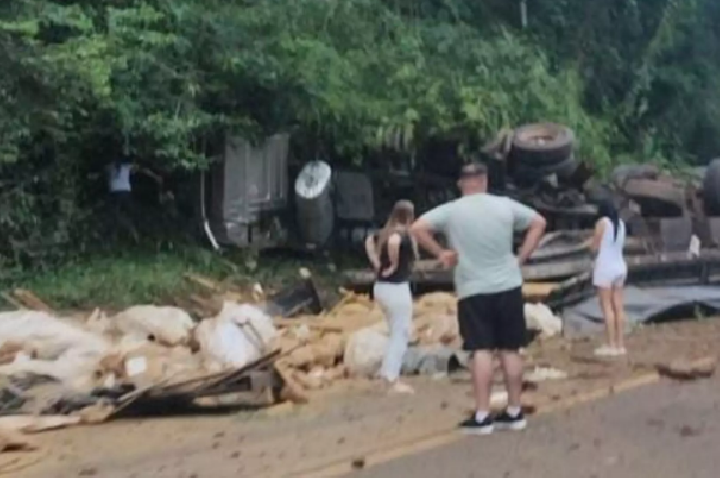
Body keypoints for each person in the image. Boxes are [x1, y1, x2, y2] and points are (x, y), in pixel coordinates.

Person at [410, 162, 546, 435]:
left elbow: (417, 228)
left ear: (462, 183)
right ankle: (514, 411)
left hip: (473, 288)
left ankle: (483, 415)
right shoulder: (505, 205)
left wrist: (441, 253)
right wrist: (521, 256)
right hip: (508, 285)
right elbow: (539, 223)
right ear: (484, 181)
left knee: (481, 350)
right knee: (510, 349)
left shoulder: (452, 210)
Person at [365, 199, 419, 395]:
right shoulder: (401, 235)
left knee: (393, 331)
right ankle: (391, 377)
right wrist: (395, 264)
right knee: (401, 333)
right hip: (397, 287)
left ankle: (386, 372)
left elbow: (369, 241)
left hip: (380, 287)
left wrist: (376, 262)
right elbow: (396, 243)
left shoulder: (384, 232)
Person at [587, 199, 627, 357]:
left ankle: (610, 344)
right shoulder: (621, 224)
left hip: (605, 267)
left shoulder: (602, 222)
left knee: (606, 307)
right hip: (620, 266)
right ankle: (620, 344)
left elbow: (595, 245)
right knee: (618, 306)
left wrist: (588, 246)